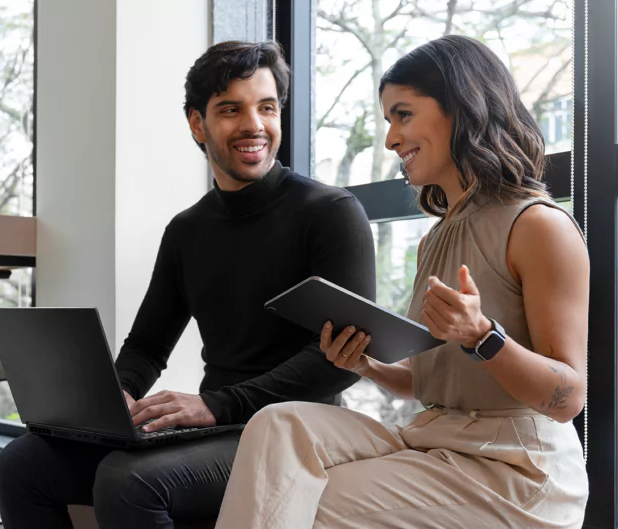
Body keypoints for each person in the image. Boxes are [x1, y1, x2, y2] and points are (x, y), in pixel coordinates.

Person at [0, 40, 376, 529]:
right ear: (198, 123)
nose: (254, 125)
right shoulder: (187, 230)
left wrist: (215, 405)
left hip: (299, 430)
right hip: (220, 425)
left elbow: (338, 362)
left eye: (266, 107)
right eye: (231, 110)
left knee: (128, 479)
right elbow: (148, 345)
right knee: (23, 464)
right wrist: (118, 397)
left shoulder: (331, 213)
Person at [215, 35, 589, 529]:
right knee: (277, 423)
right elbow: (431, 381)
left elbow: (567, 398)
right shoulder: (435, 240)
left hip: (516, 467)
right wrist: (368, 365)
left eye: (403, 115)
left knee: (304, 499)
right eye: (389, 120)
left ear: (462, 108)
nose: (391, 139)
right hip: (437, 435)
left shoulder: (538, 226)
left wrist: (484, 337)